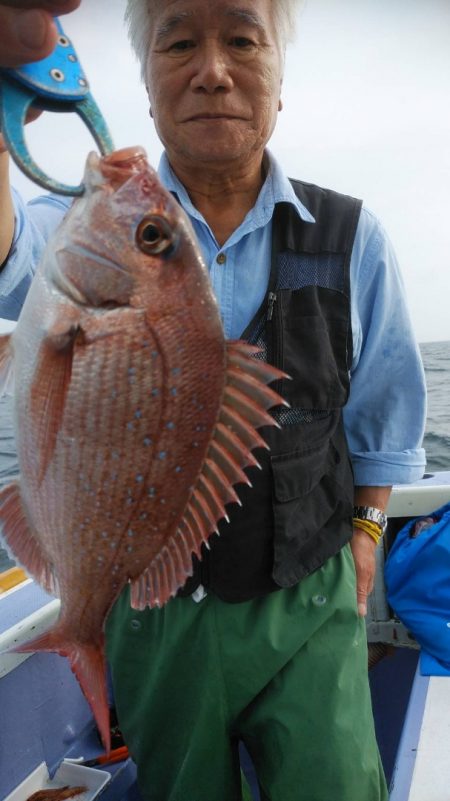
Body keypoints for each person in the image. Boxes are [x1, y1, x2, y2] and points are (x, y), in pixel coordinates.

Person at [0, 1, 427, 800]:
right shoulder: (76, 229)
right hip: (151, 607)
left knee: (335, 782)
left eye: (241, 40)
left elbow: (384, 415)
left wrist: (367, 534)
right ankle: (84, 628)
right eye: (180, 43)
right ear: (151, 85)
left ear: (278, 79)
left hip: (311, 594)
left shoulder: (353, 235)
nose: (213, 70)